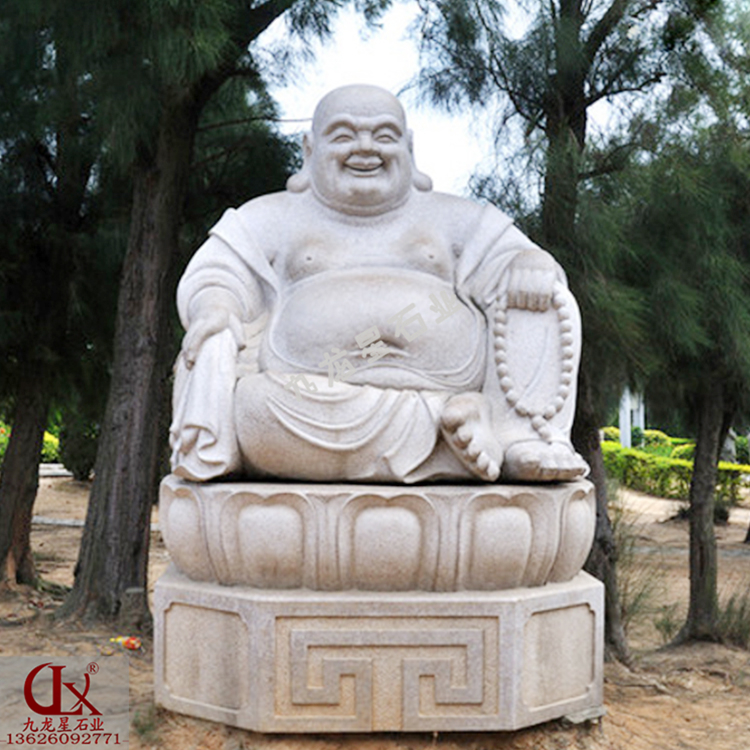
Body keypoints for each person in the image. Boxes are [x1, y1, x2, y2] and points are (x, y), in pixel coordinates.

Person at [170, 84, 588, 484]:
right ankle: (450, 433)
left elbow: (514, 258)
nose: (366, 148)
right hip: (309, 395)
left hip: (447, 374)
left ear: (409, 148)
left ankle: (516, 436)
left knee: (541, 293)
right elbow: (219, 272)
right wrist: (216, 306)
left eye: (384, 136)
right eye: (344, 135)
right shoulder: (272, 216)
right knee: (254, 409)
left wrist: (531, 262)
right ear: (309, 150)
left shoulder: (455, 217)